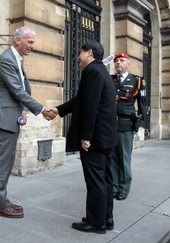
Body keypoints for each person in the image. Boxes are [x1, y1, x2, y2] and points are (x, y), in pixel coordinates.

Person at [0, 26, 55, 218]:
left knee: (7, 162)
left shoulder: (16, 59)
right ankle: (0, 205)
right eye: (30, 41)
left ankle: (2, 199)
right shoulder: (6, 60)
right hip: (3, 120)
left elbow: (17, 91)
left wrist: (23, 110)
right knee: (3, 163)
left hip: (10, 118)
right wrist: (42, 109)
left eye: (33, 42)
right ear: (17, 40)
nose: (32, 46)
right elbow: (18, 90)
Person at [53, 41, 117, 234]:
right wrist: (58, 110)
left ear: (89, 53)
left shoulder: (93, 72)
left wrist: (85, 136)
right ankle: (105, 218)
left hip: (95, 139)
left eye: (80, 53)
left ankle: (96, 223)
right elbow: (81, 100)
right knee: (104, 179)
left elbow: (91, 107)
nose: (78, 57)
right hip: (105, 138)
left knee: (95, 182)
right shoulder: (100, 71)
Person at [111, 52, 146, 201]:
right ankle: (113, 186)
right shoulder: (110, 80)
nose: (119, 63)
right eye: (117, 61)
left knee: (124, 156)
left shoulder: (137, 81)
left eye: (122, 61)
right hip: (111, 123)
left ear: (128, 64)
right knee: (112, 157)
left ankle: (124, 188)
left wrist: (141, 124)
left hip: (126, 123)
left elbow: (143, 104)